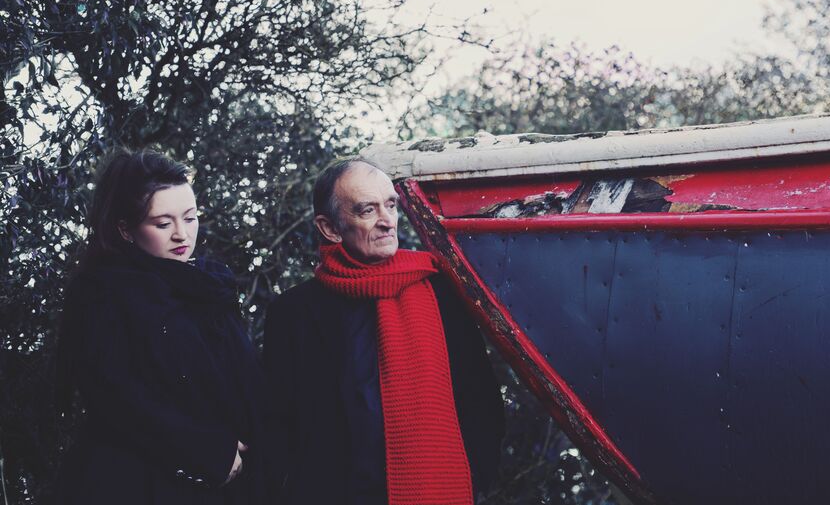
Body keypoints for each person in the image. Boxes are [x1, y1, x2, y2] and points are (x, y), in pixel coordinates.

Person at [264, 158, 505, 505]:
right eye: (366, 210)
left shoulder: (442, 291)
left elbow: (480, 399)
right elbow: (278, 424)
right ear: (329, 228)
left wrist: (475, 479)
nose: (386, 221)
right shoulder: (293, 314)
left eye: (390, 205)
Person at [55, 149, 267, 505]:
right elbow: (115, 400)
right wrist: (208, 451)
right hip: (137, 485)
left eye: (191, 217)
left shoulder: (210, 286)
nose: (182, 235)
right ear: (125, 229)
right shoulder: (101, 292)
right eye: (163, 223)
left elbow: (244, 385)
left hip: (228, 486)